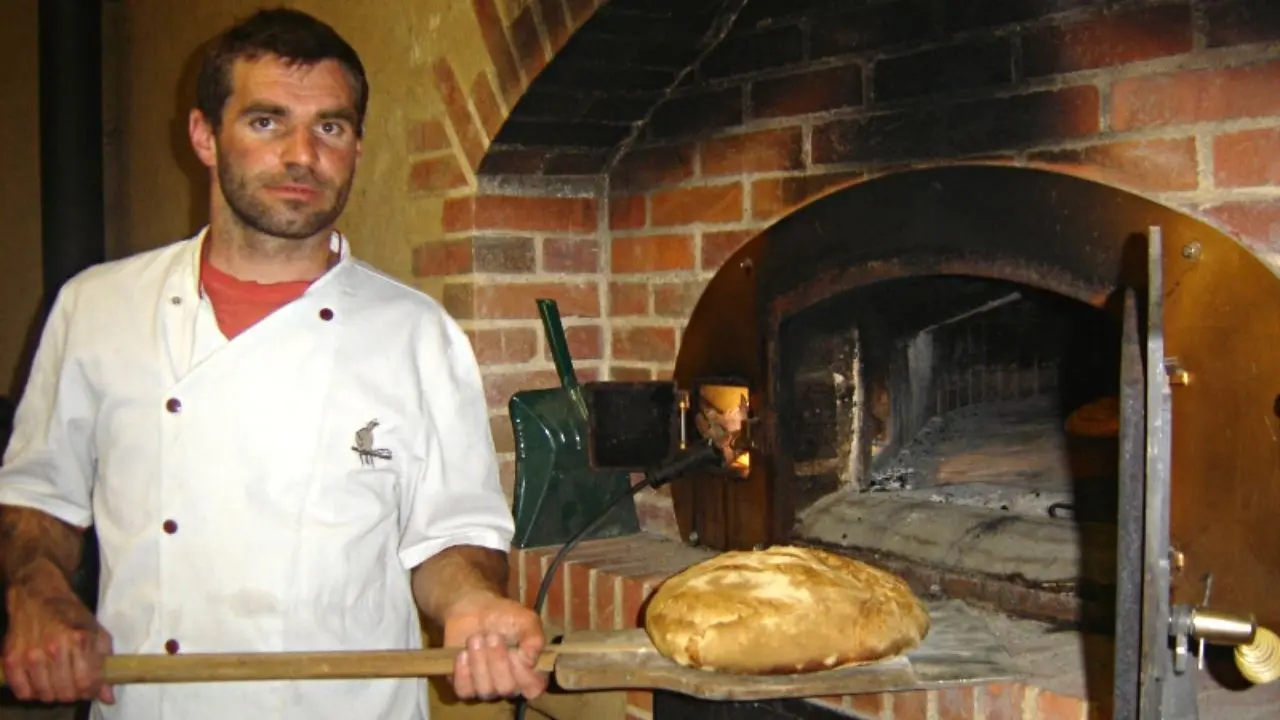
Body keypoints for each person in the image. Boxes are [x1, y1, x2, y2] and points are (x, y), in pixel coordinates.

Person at [0, 8, 547, 719]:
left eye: (331, 127)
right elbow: (41, 498)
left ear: (356, 145)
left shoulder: (418, 333)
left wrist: (472, 603)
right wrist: (36, 593)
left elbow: (453, 536)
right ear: (203, 135)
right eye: (266, 122)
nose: (301, 155)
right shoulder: (96, 309)